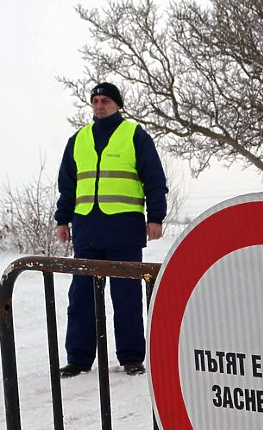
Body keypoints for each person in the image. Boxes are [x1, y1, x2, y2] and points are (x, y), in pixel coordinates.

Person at [54, 82, 168, 378]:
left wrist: (156, 217)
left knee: (126, 297)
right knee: (81, 297)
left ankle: (131, 357)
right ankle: (78, 358)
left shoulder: (134, 135)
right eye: (94, 101)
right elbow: (67, 185)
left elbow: (154, 178)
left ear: (117, 105)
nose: (99, 105)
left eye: (105, 100)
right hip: (87, 229)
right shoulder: (78, 140)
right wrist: (62, 220)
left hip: (123, 230)